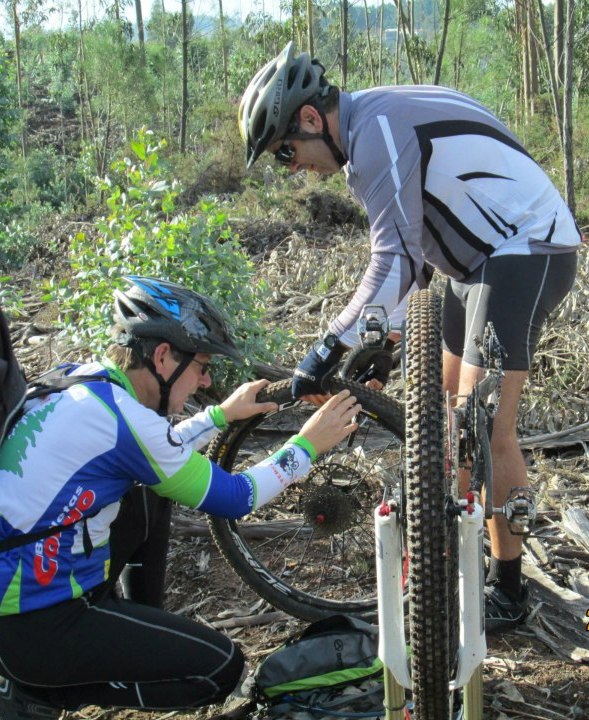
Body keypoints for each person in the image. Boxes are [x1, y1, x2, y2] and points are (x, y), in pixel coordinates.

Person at [239, 43, 581, 633]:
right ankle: (455, 551)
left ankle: (508, 587)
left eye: (285, 152)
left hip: (527, 250)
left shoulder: (375, 132)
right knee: (447, 420)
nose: (291, 168)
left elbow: (394, 259)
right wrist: (380, 347)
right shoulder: (368, 131)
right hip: (474, 262)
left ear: (312, 118)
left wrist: (328, 347)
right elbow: (415, 257)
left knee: (483, 428)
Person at [0, 275, 362, 719]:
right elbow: (236, 497)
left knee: (148, 494)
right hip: (39, 624)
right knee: (221, 670)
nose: (205, 380)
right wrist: (306, 446)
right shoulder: (123, 420)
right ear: (162, 356)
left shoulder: (82, 381)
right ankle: (38, 693)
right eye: (201, 365)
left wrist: (219, 415)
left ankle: (119, 630)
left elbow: (155, 450)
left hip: (28, 600)